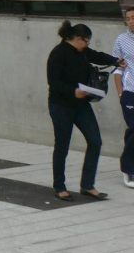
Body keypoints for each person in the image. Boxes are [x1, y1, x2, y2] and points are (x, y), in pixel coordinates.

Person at [46, 20, 121, 200]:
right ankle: (59, 186)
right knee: (62, 145)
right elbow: (53, 83)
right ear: (78, 38)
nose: (88, 45)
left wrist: (116, 61)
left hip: (81, 105)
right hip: (61, 105)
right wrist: (73, 91)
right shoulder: (58, 54)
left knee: (95, 141)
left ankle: (87, 185)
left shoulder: (83, 51)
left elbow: (97, 56)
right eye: (86, 41)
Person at [111, 6, 134, 188]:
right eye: (129, 18)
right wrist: (120, 92)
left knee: (132, 131)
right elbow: (117, 68)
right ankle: (129, 169)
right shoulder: (121, 40)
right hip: (130, 92)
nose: (131, 20)